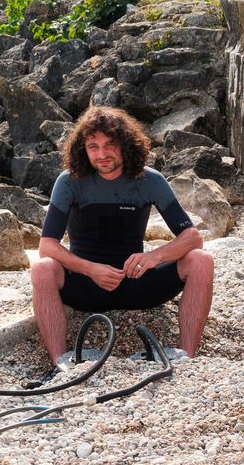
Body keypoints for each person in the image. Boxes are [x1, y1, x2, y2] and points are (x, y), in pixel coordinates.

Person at [30, 106, 214, 360]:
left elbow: (193, 238)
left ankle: (187, 356)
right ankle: (60, 361)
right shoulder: (69, 181)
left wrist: (154, 257)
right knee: (42, 268)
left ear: (125, 145)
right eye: (93, 147)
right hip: (86, 287)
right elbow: (47, 246)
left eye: (110, 145)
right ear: (83, 149)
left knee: (201, 261)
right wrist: (91, 269)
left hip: (136, 283)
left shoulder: (149, 180)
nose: (102, 154)